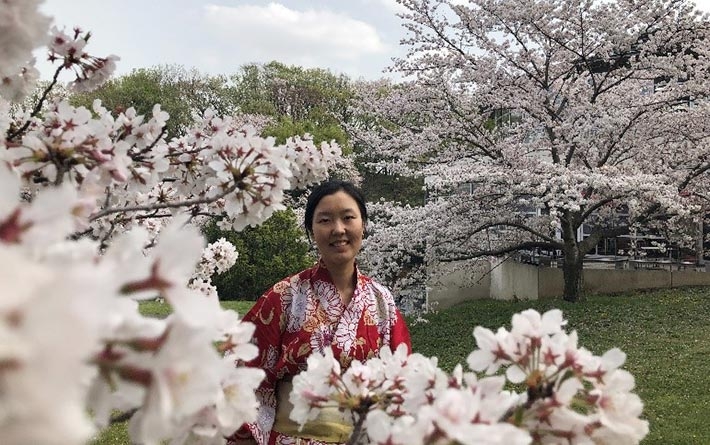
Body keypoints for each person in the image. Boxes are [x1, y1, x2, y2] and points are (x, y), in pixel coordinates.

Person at [228, 179, 412, 445]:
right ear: (311, 229)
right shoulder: (284, 296)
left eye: (348, 217)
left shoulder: (381, 300)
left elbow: (402, 377)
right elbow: (239, 367)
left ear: (363, 224)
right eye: (325, 220)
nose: (338, 229)